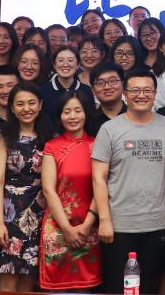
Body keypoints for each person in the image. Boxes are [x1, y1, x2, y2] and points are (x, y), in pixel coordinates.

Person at [93, 69, 165, 293]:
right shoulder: (109, 129)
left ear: (155, 93)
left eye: (147, 90)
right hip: (119, 225)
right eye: (135, 90)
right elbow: (99, 178)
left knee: (148, 286)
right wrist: (104, 220)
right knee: (118, 287)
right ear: (125, 94)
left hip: (156, 223)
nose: (141, 95)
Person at [0, 83, 54, 291]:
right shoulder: (3, 137)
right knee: (8, 282)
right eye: (20, 104)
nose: (27, 108)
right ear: (12, 108)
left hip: (40, 213)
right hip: (10, 215)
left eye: (31, 103)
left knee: (29, 283)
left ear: (40, 105)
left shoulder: (49, 138)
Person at [39, 92, 101, 290]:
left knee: (85, 286)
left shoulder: (98, 145)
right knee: (57, 287)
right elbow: (48, 190)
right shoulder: (52, 146)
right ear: (60, 115)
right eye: (67, 112)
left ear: (86, 113)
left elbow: (102, 186)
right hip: (58, 225)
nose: (72, 116)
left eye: (77, 111)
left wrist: (87, 225)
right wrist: (66, 228)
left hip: (88, 226)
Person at [39, 46, 93, 120]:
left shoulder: (86, 90)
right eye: (61, 60)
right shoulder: (43, 91)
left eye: (70, 60)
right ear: (54, 65)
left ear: (78, 65)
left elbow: (90, 119)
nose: (65, 64)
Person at [88, 63, 126, 134]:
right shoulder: (88, 122)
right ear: (93, 90)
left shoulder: (136, 116)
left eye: (112, 81)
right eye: (100, 83)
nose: (107, 87)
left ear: (122, 84)